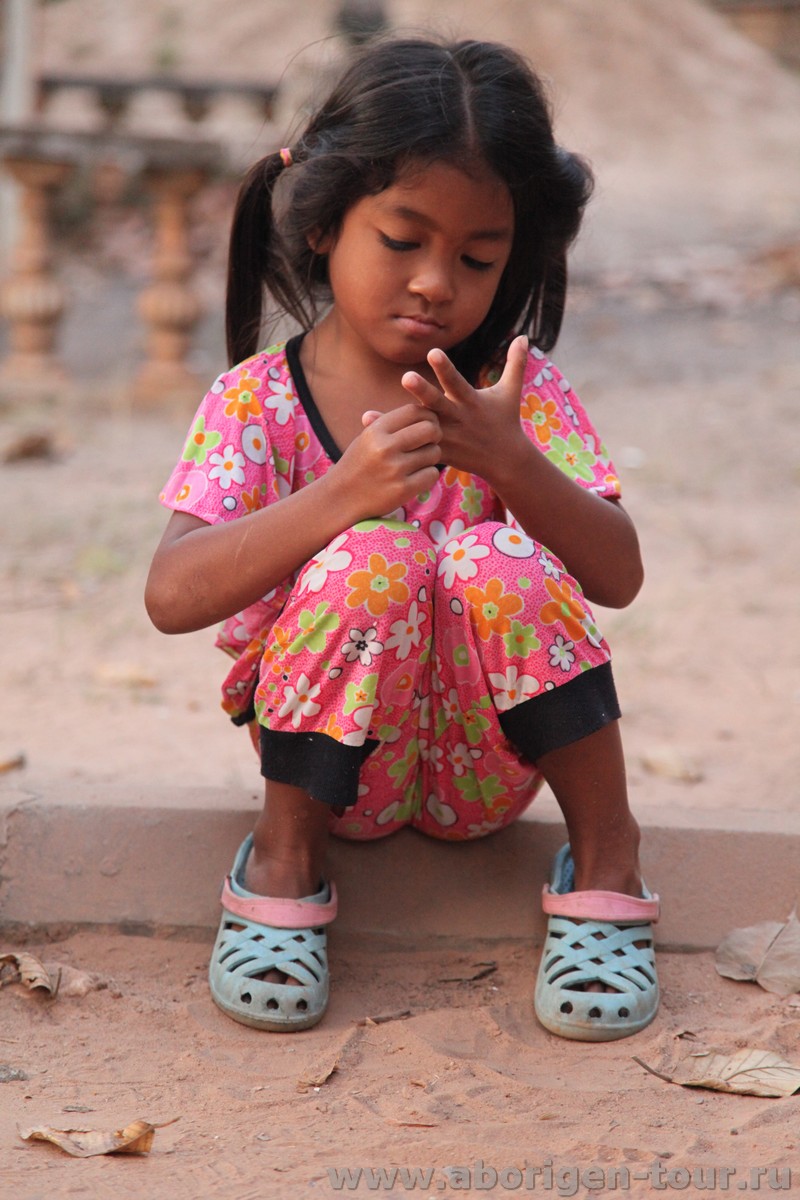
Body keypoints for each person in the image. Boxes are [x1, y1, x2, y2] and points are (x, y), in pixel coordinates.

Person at [145, 36, 660, 1042]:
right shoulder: (255, 400)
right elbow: (170, 595)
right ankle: (282, 862)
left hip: (486, 767)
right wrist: (341, 496)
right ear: (323, 222)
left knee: (498, 560)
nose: (434, 283)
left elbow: (618, 574)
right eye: (401, 240)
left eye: (476, 258)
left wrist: (513, 463)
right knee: (370, 560)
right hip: (337, 780)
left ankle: (607, 858)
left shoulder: (513, 399)